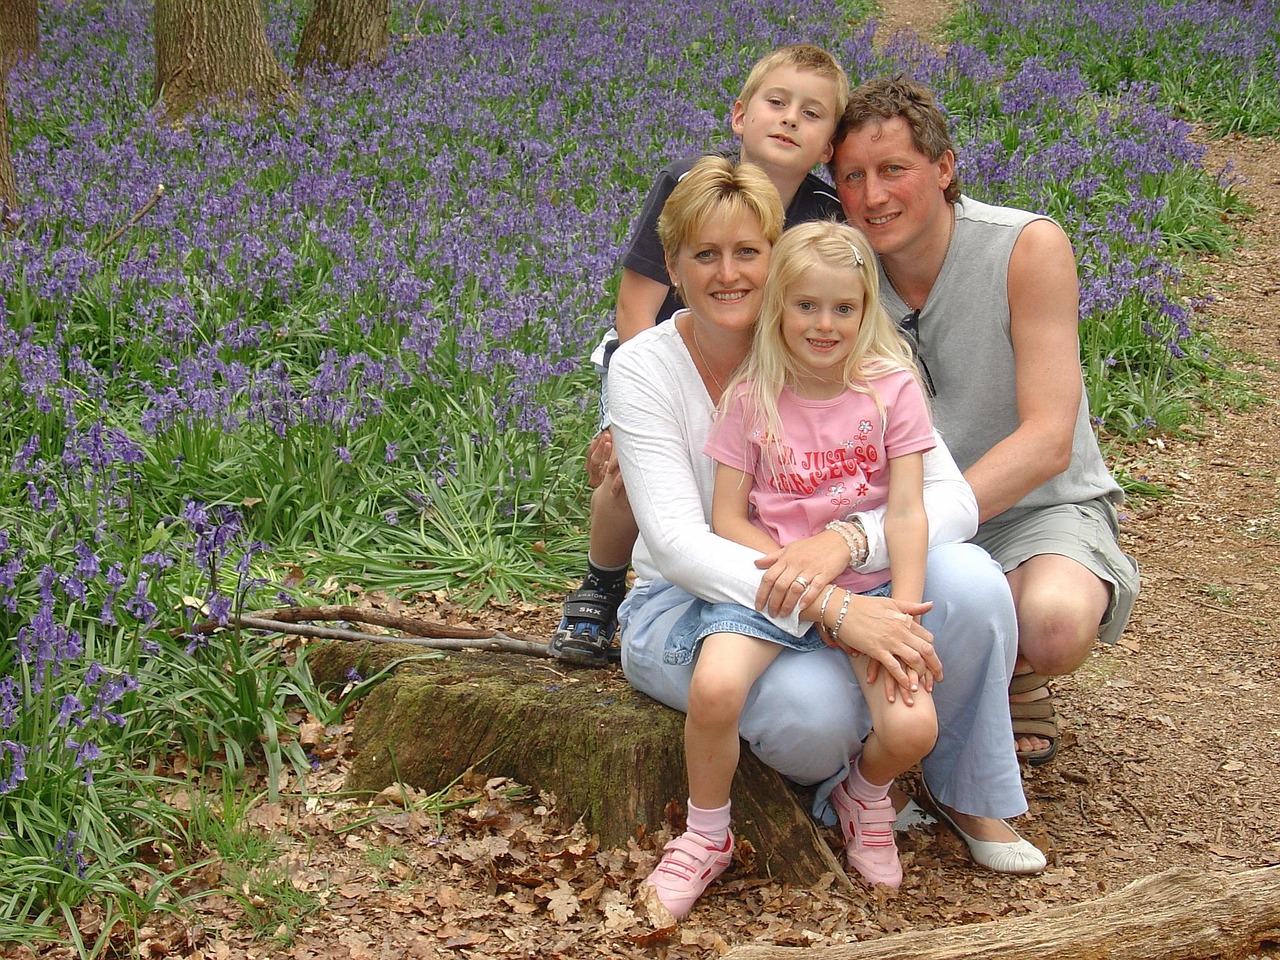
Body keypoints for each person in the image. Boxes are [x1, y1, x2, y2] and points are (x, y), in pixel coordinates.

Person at [611, 156, 1046, 920]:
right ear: (673, 267)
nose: (729, 273)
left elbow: (948, 502)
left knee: (973, 582)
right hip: (700, 597)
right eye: (704, 255)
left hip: (846, 581)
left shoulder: (848, 356)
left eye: (748, 252)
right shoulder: (649, 366)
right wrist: (837, 611)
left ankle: (961, 791)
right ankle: (757, 813)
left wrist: (848, 544)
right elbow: (685, 544)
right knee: (812, 725)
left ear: (778, 259)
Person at [828, 76, 1141, 766]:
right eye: (852, 176)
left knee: (1055, 624)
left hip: (1036, 507)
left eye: (893, 170)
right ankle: (961, 679)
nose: (873, 196)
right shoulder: (837, 271)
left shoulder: (1025, 247)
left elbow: (1049, 441)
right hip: (902, 512)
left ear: (944, 168)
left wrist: (918, 523)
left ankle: (1010, 665)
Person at [551, 43, 849, 666]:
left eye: (811, 113)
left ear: (828, 148)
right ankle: (603, 583)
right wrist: (623, 412)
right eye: (777, 102)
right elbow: (636, 308)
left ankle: (742, 579)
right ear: (740, 116)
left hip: (763, 366)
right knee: (626, 471)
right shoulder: (690, 189)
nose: (790, 118)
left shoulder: (826, 214)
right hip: (663, 357)